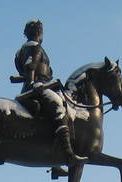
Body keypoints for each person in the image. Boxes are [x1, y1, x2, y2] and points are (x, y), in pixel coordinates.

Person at [13, 20, 86, 165]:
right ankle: (68, 155)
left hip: (41, 86)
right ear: (38, 33)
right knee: (59, 109)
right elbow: (31, 68)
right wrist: (35, 83)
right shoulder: (35, 48)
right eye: (41, 32)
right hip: (37, 88)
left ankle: (56, 161)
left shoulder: (22, 50)